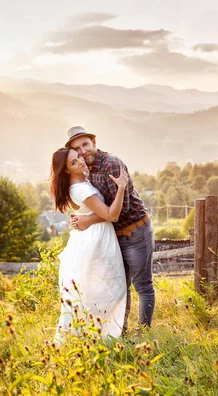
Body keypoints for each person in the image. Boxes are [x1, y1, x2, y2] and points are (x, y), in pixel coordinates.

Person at [66, 126, 155, 334]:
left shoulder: (111, 165)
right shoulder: (87, 169)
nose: (83, 151)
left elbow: (119, 211)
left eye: (85, 144)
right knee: (118, 288)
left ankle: (144, 334)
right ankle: (119, 333)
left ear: (94, 142)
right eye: (77, 149)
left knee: (143, 286)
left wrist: (88, 219)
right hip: (114, 237)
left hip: (135, 232)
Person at [50, 147, 129, 342]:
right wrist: (121, 188)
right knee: (107, 287)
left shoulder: (79, 182)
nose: (80, 161)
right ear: (67, 170)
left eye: (78, 157)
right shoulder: (81, 189)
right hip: (96, 238)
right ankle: (104, 334)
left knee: (96, 287)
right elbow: (112, 215)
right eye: (74, 162)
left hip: (90, 236)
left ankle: (94, 332)